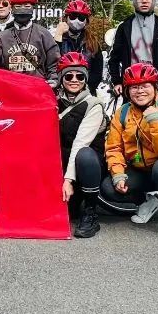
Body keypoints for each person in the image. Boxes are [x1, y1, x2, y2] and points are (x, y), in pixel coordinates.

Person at [101, 62, 158, 247]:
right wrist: (118, 174)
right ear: (127, 91)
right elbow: (114, 148)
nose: (140, 91)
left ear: (154, 87)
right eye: (134, 87)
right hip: (143, 169)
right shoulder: (123, 113)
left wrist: (155, 122)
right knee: (108, 187)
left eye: (145, 86)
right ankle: (150, 200)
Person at [56, 53, 107, 239]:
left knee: (84, 154)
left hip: (89, 164)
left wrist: (68, 180)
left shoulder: (94, 105)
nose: (74, 80)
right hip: (65, 163)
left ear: (86, 79)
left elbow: (80, 143)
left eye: (80, 76)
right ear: (61, 79)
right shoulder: (54, 102)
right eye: (68, 76)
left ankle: (91, 212)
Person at [107, 0, 158, 100]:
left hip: (157, 92)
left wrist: (157, 88)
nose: (144, 0)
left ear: (154, 0)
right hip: (131, 90)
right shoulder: (123, 27)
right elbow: (113, 58)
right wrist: (116, 81)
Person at [0, 0, 60, 85]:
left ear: (33, 8)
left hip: (37, 88)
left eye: (27, 6)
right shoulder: (3, 36)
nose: (22, 9)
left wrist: (54, 79)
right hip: (12, 88)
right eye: (18, 6)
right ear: (11, 8)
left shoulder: (43, 34)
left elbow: (54, 62)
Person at [54, 0, 104, 96]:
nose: (76, 20)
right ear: (66, 18)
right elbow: (52, 64)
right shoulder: (58, 39)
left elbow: (97, 72)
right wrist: (58, 37)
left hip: (86, 93)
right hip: (62, 93)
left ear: (86, 21)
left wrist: (85, 89)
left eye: (81, 17)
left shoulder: (93, 43)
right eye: (73, 16)